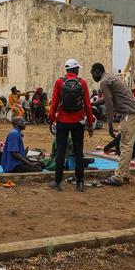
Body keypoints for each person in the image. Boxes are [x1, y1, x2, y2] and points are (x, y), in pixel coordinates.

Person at [49, 59, 95, 192]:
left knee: (61, 151)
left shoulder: (59, 82)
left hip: (62, 121)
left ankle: (57, 182)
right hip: (78, 122)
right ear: (75, 70)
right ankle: (80, 183)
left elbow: (54, 103)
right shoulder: (83, 82)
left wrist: (52, 119)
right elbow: (87, 105)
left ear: (67, 70)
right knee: (78, 152)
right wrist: (90, 124)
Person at [91, 63, 135, 187]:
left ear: (97, 71)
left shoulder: (104, 81)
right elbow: (109, 98)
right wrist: (94, 103)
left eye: (92, 73)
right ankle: (124, 173)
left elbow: (109, 103)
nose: (92, 76)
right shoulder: (111, 77)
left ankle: (118, 177)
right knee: (127, 145)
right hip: (132, 113)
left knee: (125, 146)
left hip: (129, 114)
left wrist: (110, 123)